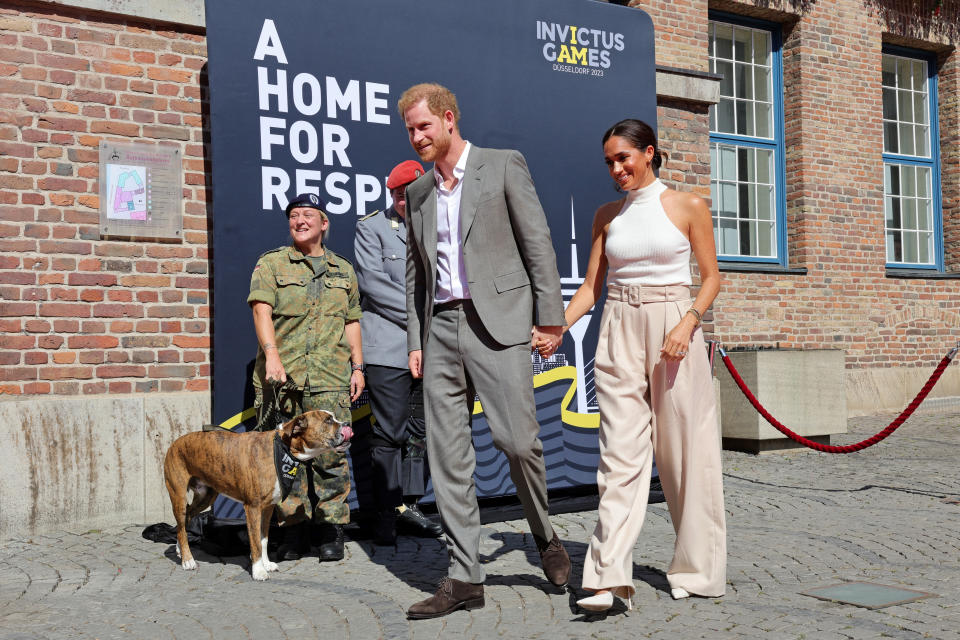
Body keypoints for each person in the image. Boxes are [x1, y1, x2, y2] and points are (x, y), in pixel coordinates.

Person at [399, 83, 571, 620]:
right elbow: (414, 276)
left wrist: (551, 317)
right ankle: (464, 577)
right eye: (409, 129)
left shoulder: (500, 166)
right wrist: (416, 339)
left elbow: (537, 241)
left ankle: (544, 535)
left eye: (423, 126)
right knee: (448, 459)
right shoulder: (420, 194)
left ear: (449, 119)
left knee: (517, 443)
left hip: (498, 325)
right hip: (441, 330)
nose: (417, 137)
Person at [558, 119, 726, 612]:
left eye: (624, 158)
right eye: (609, 161)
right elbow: (590, 289)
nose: (616, 169)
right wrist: (555, 329)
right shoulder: (607, 215)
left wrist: (688, 321)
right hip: (618, 328)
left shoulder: (688, 205)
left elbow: (712, 278)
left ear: (648, 152)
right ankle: (608, 580)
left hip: (674, 324)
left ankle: (696, 570)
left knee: (684, 454)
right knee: (619, 458)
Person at [247, 193, 365, 563]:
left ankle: (330, 529)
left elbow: (351, 321)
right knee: (284, 459)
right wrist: (272, 356)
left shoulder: (342, 270)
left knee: (331, 458)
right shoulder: (272, 264)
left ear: (324, 223)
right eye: (294, 215)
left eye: (308, 215)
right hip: (283, 378)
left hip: (330, 377)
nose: (300, 221)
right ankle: (292, 529)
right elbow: (261, 311)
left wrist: (358, 366)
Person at [354, 159, 443, 544]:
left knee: (421, 433)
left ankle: (410, 505)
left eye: (409, 194)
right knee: (389, 433)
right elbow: (373, 286)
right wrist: (423, 317)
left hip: (432, 348)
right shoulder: (371, 227)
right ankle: (384, 514)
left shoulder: (439, 227)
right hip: (389, 348)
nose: (402, 201)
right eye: (396, 195)